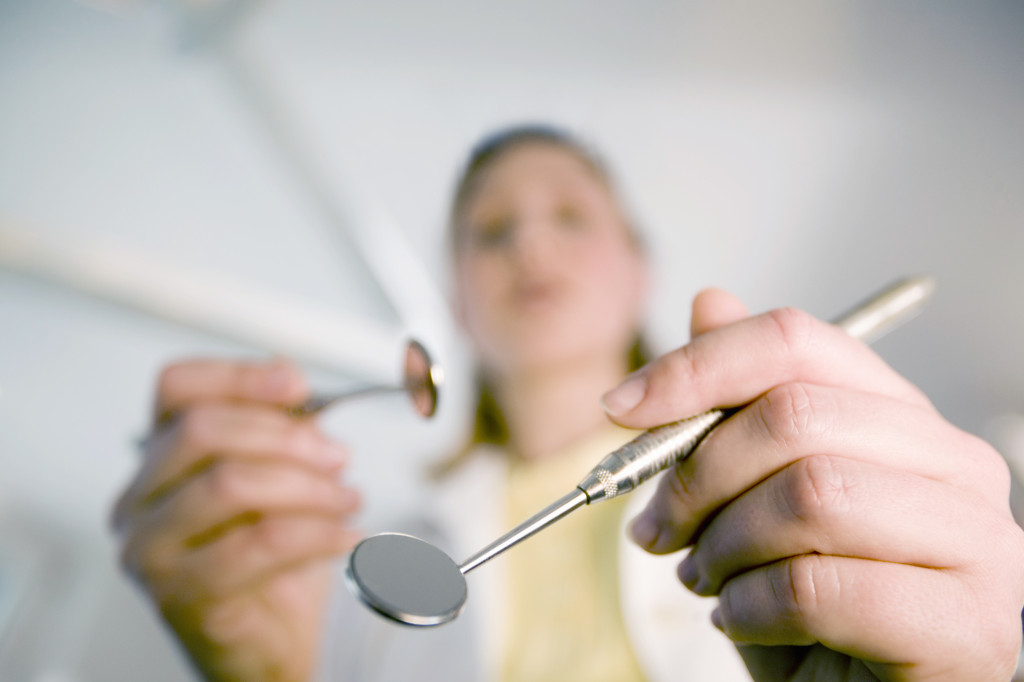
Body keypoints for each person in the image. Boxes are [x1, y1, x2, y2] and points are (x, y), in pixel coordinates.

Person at [112, 126, 1024, 682]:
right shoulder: (364, 571)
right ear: (459, 303)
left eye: (570, 216)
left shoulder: (793, 485)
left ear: (639, 270)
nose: (530, 248)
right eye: (492, 231)